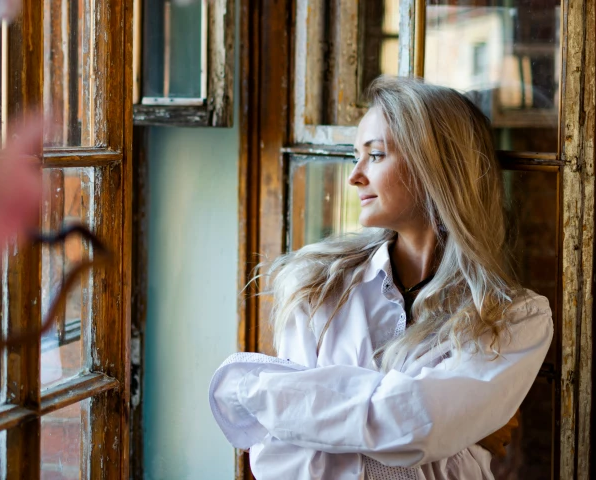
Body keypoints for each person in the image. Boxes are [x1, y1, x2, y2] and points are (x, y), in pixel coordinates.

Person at [208, 76, 553, 479]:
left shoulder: (514, 317)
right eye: (355, 156)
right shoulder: (318, 288)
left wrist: (269, 393)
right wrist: (445, 435)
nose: (354, 175)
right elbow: (279, 460)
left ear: (435, 165)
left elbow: (413, 428)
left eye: (375, 155)